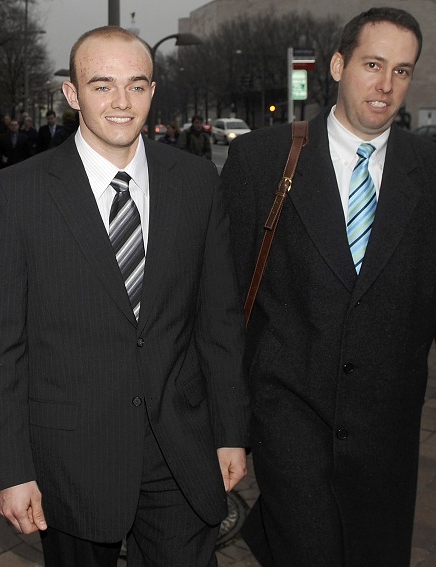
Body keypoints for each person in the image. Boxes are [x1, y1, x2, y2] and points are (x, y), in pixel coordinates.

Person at [0, 25, 249, 566]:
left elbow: (218, 320)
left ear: (152, 90)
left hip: (180, 449)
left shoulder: (196, 182)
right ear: (72, 94)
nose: (121, 102)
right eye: (102, 86)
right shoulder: (19, 194)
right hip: (70, 457)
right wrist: (11, 469)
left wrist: (230, 431)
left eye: (136, 85)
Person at [221, 7, 435, 567]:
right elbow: (223, 301)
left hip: (387, 431)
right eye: (372, 64)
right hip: (289, 418)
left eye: (403, 70)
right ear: (338, 65)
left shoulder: (429, 170)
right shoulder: (262, 160)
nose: (387, 85)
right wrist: (229, 426)